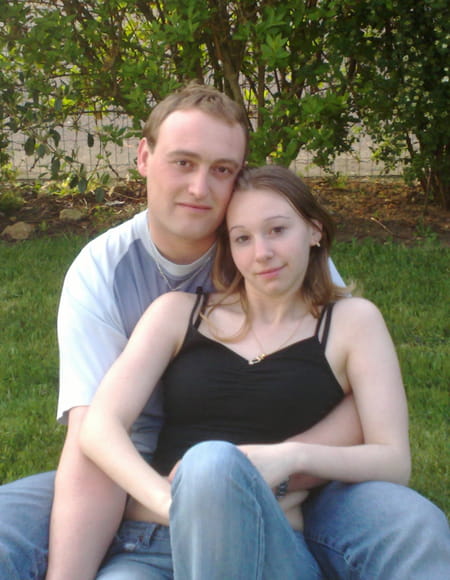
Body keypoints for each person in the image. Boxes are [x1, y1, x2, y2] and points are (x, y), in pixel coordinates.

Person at [0, 84, 446, 579]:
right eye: (183, 162)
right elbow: (95, 432)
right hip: (142, 486)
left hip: (293, 493)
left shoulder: (306, 278)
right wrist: (175, 504)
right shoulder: (112, 277)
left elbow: (366, 408)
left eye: (221, 170)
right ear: (143, 156)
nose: (199, 189)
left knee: (408, 524)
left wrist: (274, 469)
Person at [79, 163, 413, 579]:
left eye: (277, 230)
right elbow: (99, 427)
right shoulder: (177, 314)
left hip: (268, 547)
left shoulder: (353, 323)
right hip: (154, 543)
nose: (262, 253)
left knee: (214, 460)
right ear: (229, 249)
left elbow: (393, 460)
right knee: (208, 465)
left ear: (314, 230)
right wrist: (177, 504)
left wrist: (290, 457)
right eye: (243, 238)